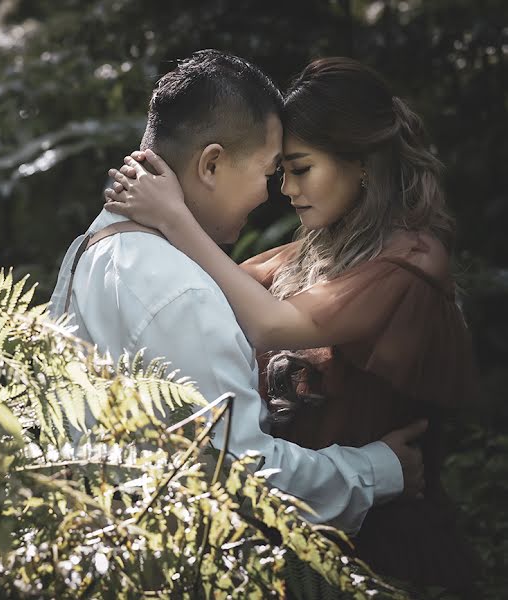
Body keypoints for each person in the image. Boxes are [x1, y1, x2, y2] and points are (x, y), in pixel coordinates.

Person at [103, 56, 479, 594]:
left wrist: (173, 217)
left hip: (386, 537)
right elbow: (215, 289)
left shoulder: (410, 260)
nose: (286, 189)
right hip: (313, 524)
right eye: (281, 173)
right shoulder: (320, 248)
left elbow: (274, 326)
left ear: (362, 164)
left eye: (301, 169)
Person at [48, 50, 427, 539]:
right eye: (269, 172)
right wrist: (379, 470)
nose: (274, 193)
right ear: (212, 164)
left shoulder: (93, 246)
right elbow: (241, 479)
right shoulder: (180, 291)